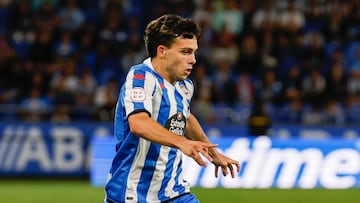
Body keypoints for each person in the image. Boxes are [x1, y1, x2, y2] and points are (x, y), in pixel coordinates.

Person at [104, 14, 240, 203]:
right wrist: (181, 142)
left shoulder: (185, 86)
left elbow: (185, 117)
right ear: (162, 51)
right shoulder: (141, 78)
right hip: (133, 194)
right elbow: (138, 123)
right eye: (185, 52)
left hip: (174, 193)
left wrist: (213, 154)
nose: (193, 60)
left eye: (194, 52)